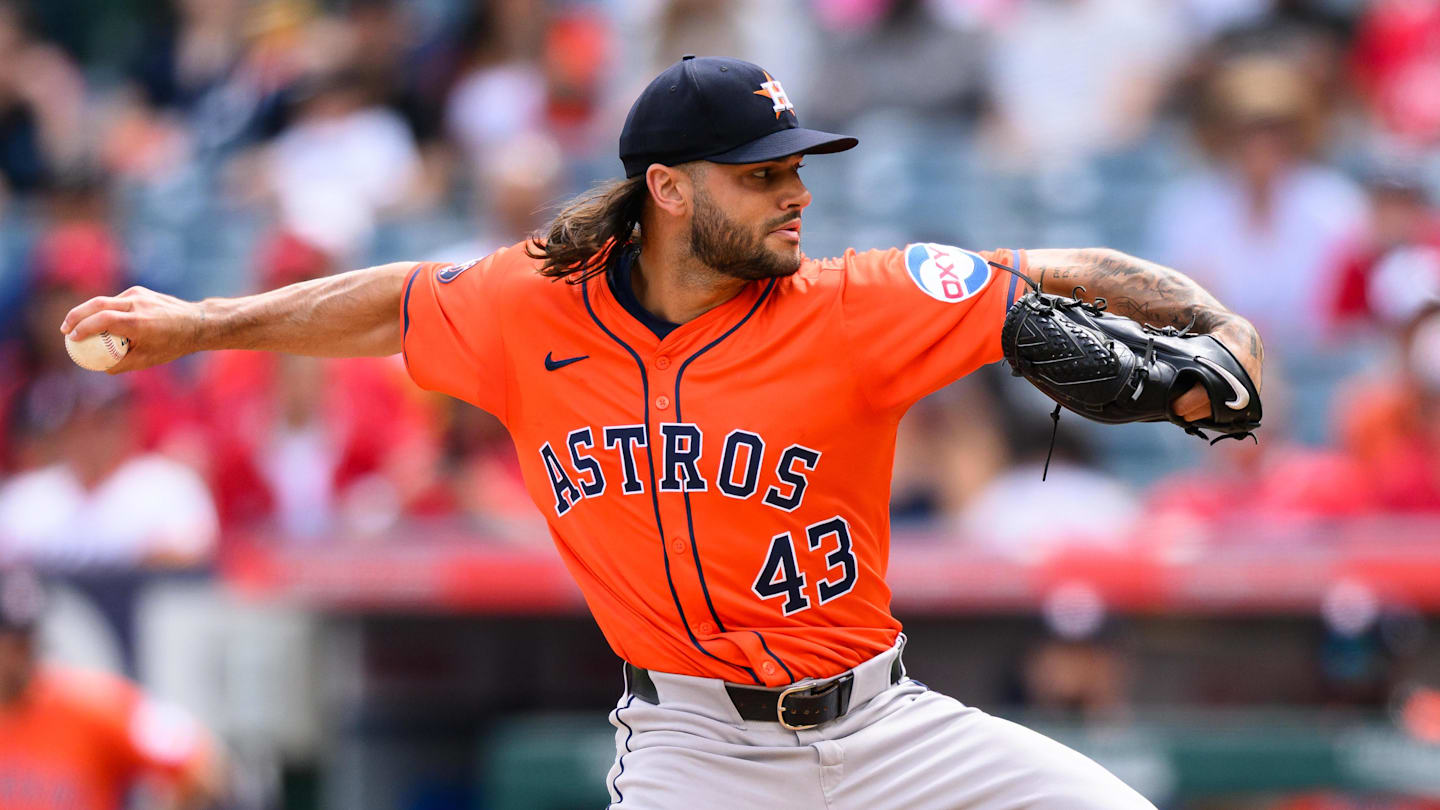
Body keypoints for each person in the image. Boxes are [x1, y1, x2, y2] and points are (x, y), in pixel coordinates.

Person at [63, 55, 1263, 809]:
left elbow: (1068, 268)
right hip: (697, 754)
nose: (796, 191)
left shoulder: (859, 302)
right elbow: (392, 302)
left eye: (797, 167)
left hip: (892, 731)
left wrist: (1222, 331)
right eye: (760, 174)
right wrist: (203, 325)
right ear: (670, 190)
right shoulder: (533, 307)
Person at [0, 568, 226, 809]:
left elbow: (198, 760)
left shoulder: (93, 704)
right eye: (11, 641)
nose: (24, 652)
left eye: (28, 638)